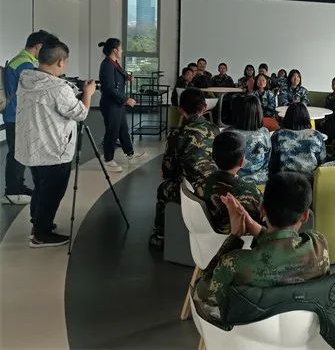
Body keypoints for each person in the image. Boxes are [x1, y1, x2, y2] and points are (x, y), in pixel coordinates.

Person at [193, 172, 330, 323]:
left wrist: (234, 237)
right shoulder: (319, 245)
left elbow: (201, 292)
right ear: (305, 216)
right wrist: (255, 228)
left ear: (262, 210)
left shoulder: (234, 264)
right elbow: (283, 245)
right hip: (301, 332)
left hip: (245, 333)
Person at [15, 37, 96, 247]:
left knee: (41, 188)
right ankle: (41, 235)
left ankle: (38, 224)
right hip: (53, 151)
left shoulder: (26, 78)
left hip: (32, 147)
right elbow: (80, 113)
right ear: (60, 61)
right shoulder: (59, 88)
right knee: (52, 192)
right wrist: (88, 93)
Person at [150, 88, 219, 249]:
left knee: (163, 189)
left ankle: (160, 235)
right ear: (204, 107)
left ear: (181, 109)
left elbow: (167, 170)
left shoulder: (177, 134)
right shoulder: (215, 130)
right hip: (213, 187)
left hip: (188, 190)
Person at [2, 29, 54, 205]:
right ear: (38, 46)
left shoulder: (21, 59)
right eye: (46, 49)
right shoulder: (25, 64)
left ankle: (18, 186)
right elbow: (35, 90)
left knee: (19, 152)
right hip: (17, 116)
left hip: (15, 114)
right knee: (17, 154)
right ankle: (12, 192)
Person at [199, 131, 262, 234]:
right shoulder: (249, 190)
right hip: (240, 236)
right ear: (241, 162)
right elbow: (262, 217)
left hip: (214, 230)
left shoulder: (203, 180)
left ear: (213, 156)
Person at [98, 38, 143, 173]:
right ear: (115, 50)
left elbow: (119, 75)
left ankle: (130, 154)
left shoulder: (114, 63)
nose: (122, 51)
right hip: (111, 104)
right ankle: (108, 160)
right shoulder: (107, 65)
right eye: (121, 49)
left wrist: (127, 77)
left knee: (123, 129)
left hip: (117, 104)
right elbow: (109, 88)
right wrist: (126, 99)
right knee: (112, 131)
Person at [269, 102, 327, 178]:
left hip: (284, 180)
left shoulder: (278, 135)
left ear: (287, 117)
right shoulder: (316, 135)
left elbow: (272, 162)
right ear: (306, 117)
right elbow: (322, 161)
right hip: (309, 180)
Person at [226, 96, 271, 184]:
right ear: (259, 112)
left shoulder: (228, 134)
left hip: (236, 182)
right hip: (262, 180)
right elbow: (268, 158)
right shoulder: (265, 132)